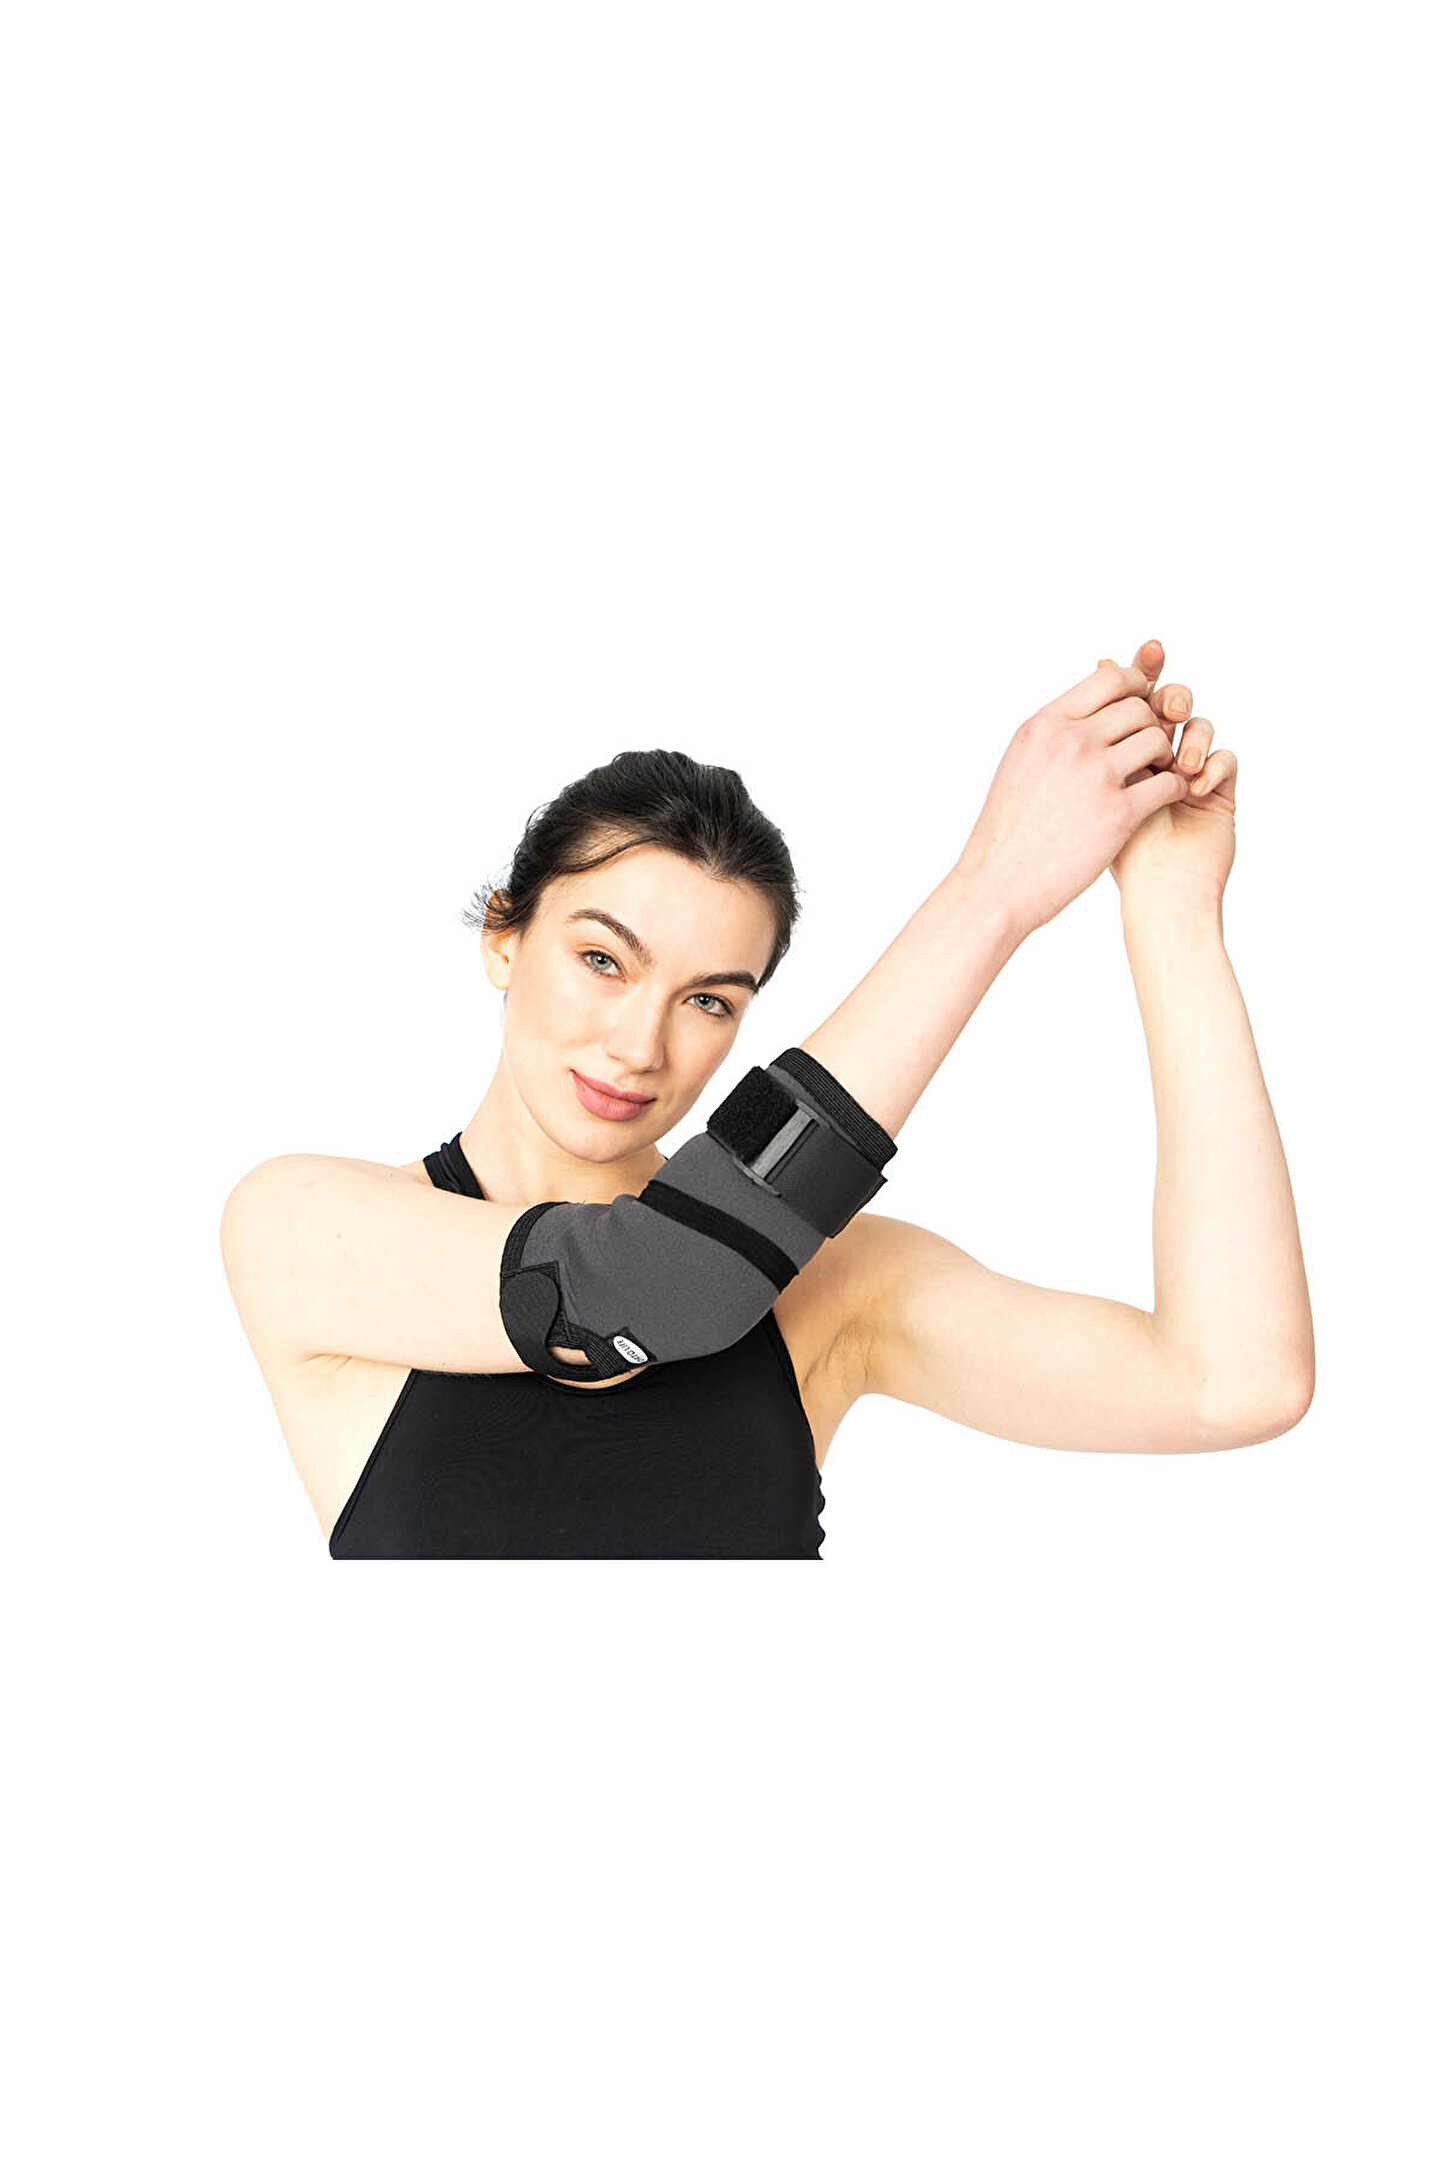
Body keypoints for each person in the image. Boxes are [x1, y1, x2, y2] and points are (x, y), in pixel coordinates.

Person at [220, 636, 1315, 1558]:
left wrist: (1174, 916)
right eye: (602, 960)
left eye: (708, 1000)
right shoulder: (304, 1225)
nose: (639, 1045)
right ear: (504, 938)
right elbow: (629, 1293)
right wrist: (990, 892)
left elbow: (1234, 1383)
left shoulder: (838, 1284)